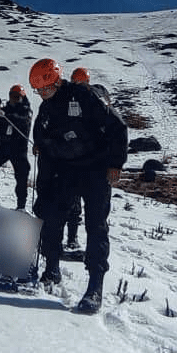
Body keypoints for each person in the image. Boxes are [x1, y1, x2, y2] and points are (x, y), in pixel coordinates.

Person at [29, 58, 128, 314]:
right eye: (38, 91)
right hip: (66, 169)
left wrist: (115, 163)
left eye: (45, 89)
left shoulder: (83, 95)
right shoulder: (46, 110)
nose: (42, 94)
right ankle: (51, 269)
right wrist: (44, 190)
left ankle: (95, 286)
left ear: (56, 81)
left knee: (96, 225)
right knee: (53, 216)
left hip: (96, 168)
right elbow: (43, 145)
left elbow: (117, 127)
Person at [63, 67, 113, 251]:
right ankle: (74, 240)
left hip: (89, 162)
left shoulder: (93, 99)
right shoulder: (97, 98)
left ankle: (76, 241)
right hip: (83, 161)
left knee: (86, 209)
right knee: (83, 208)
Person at [0, 85, 33, 209]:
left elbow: (22, 120)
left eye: (17, 96)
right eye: (12, 96)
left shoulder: (26, 111)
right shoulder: (6, 109)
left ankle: (21, 205)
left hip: (19, 149)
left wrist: (5, 115)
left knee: (21, 175)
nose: (14, 99)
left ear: (22, 97)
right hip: (3, 146)